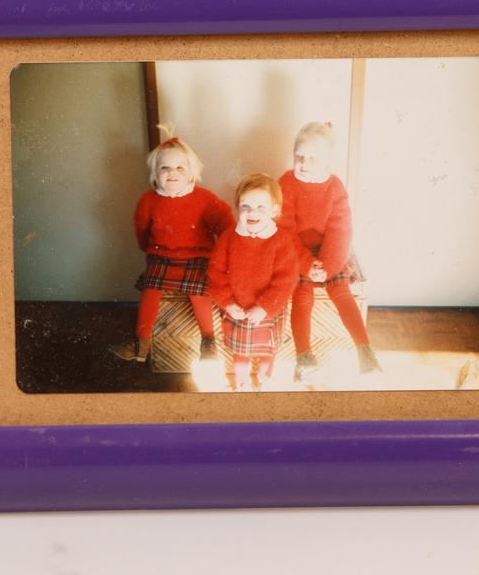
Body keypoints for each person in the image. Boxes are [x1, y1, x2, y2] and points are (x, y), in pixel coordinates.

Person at [109, 127, 234, 363]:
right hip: (162, 257)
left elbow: (226, 223)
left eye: (179, 167)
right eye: (164, 168)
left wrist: (223, 254)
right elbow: (142, 232)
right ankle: (140, 342)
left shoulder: (204, 199)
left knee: (199, 292)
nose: (172, 173)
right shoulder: (148, 200)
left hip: (198, 258)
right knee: (150, 290)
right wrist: (152, 252)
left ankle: (208, 340)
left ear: (191, 173)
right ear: (155, 173)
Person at [279, 121, 382, 382]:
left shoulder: (335, 187)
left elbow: (341, 231)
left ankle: (365, 350)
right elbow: (286, 230)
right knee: (302, 297)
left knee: (342, 292)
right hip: (296, 253)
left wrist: (327, 264)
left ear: (328, 162)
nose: (304, 163)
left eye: (313, 158)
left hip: (330, 254)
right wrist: (306, 264)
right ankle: (304, 357)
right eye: (299, 156)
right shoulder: (286, 183)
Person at [208, 174, 298, 391]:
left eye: (260, 207)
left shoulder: (281, 241)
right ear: (237, 208)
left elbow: (285, 280)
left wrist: (265, 307)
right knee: (241, 351)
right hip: (237, 306)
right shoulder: (229, 238)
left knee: (268, 351)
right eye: (245, 206)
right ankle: (241, 381)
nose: (251, 212)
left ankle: (265, 377)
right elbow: (216, 273)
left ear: (274, 211)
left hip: (268, 309)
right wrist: (227, 302)